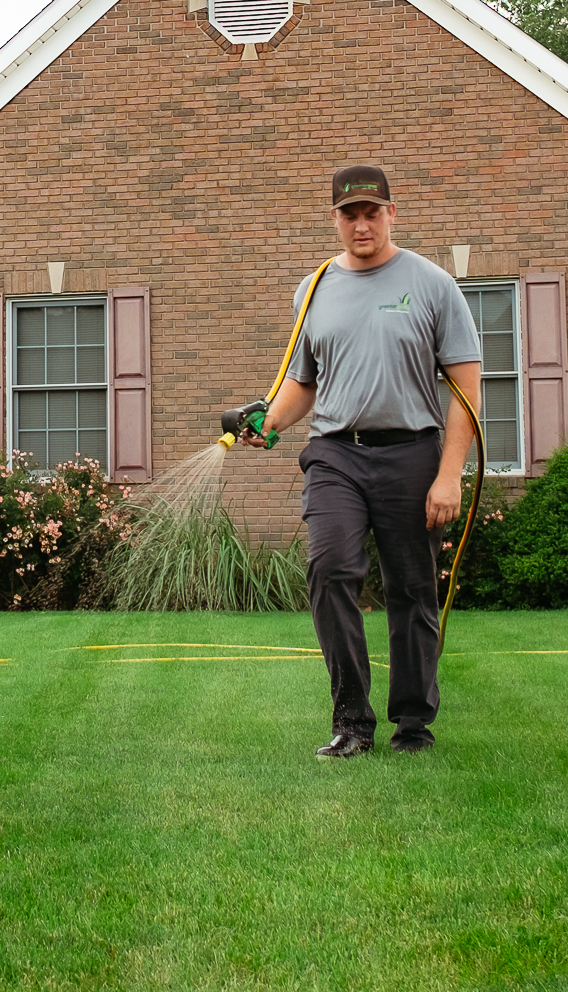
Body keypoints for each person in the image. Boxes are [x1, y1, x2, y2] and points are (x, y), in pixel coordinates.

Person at [235, 164, 481, 758]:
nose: (362, 224)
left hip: (411, 455)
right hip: (335, 455)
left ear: (391, 214)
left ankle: (413, 725)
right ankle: (352, 720)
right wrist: (268, 422)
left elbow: (468, 392)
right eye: (350, 214)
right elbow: (304, 383)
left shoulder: (431, 285)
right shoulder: (313, 288)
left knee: (411, 591)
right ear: (336, 220)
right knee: (330, 571)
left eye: (373, 212)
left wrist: (449, 476)